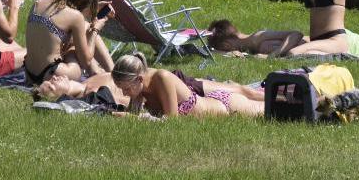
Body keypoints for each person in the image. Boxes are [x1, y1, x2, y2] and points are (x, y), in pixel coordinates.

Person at [37, 54, 264, 114]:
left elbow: (171, 121)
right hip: (216, 107)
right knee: (281, 109)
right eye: (122, 89)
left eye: (126, 88)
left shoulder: (162, 77)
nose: (123, 93)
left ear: (138, 79)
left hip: (227, 107)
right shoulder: (138, 92)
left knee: (276, 108)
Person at [24, 0, 116, 85]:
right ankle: (111, 74)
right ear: (84, 0)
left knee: (84, 29)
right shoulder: (75, 17)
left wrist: (94, 9)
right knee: (77, 46)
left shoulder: (40, 0)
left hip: (29, 73)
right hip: (52, 74)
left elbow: (61, 19)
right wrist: (95, 30)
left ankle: (104, 72)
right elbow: (86, 61)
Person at [207, 19, 307, 57]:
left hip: (311, 44)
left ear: (226, 44)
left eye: (223, 48)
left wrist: (271, 56)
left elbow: (296, 34)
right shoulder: (250, 47)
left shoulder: (259, 37)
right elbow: (212, 51)